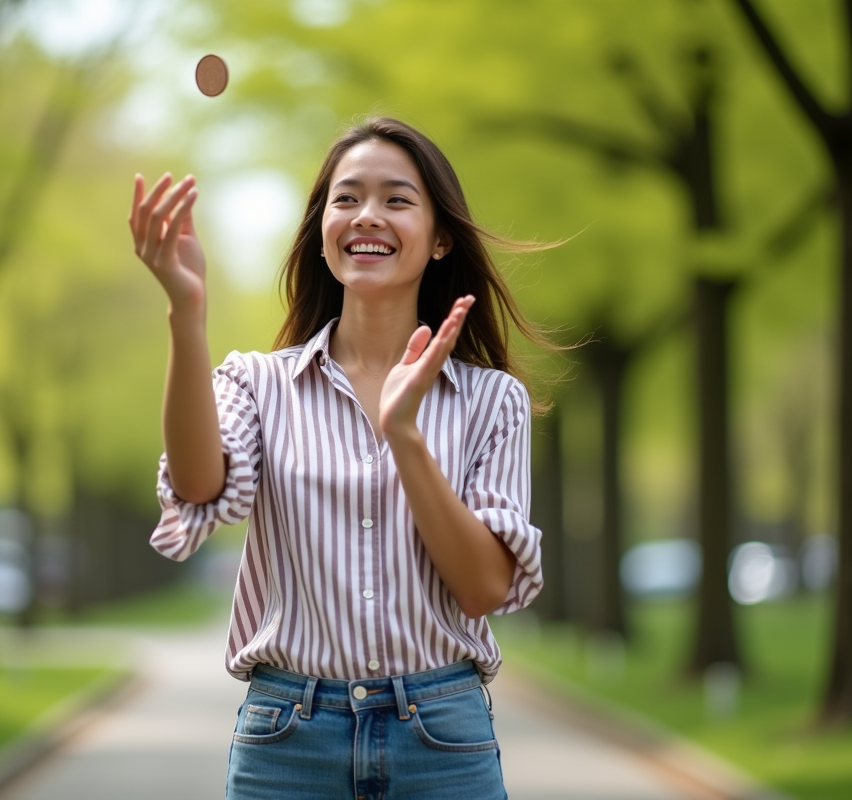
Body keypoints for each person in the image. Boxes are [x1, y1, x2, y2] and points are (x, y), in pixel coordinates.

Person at [129, 116, 556, 799]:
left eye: (396, 199)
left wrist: (404, 434)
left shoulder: (491, 401)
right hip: (285, 743)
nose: (368, 216)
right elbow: (201, 486)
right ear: (322, 230)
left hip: (441, 740)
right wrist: (188, 310)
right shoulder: (256, 383)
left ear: (441, 237)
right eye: (347, 198)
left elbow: (483, 589)